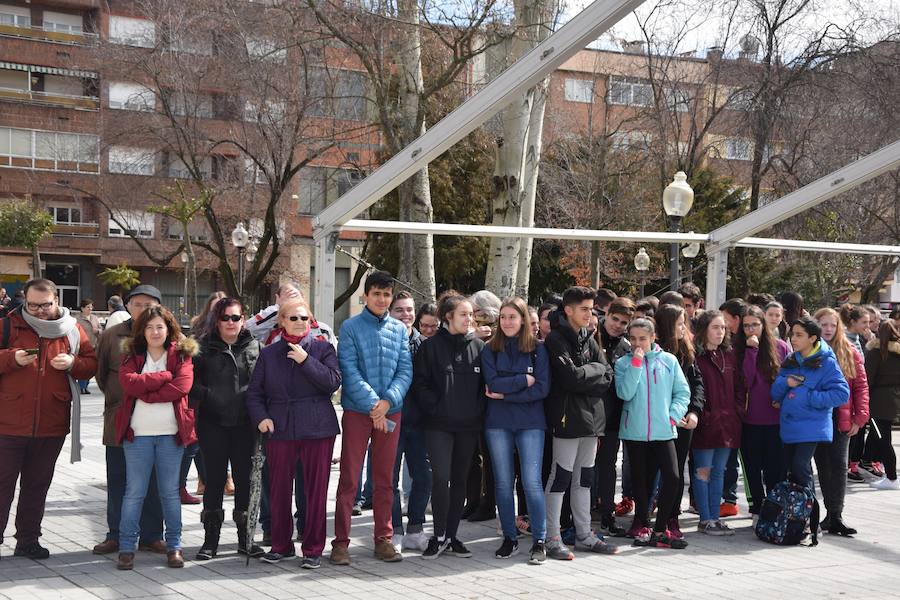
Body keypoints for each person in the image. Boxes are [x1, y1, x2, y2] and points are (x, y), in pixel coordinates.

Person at [0, 278, 97, 560]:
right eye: (32, 305)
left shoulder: (72, 329)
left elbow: (91, 364)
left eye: (45, 305)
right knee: (2, 484)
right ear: (24, 301)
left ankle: (28, 540)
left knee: (37, 485)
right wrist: (10, 359)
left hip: (51, 423)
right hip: (8, 422)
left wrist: (73, 364)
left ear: (56, 301)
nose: (39, 311)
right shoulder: (8, 325)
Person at [247, 298, 341, 568]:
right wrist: (262, 417)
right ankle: (281, 544)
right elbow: (255, 394)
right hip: (281, 427)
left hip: (317, 428)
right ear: (282, 322)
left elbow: (332, 383)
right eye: (294, 318)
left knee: (315, 491)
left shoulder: (322, 349)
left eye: (305, 319)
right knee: (278, 490)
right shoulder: (268, 354)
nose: (300, 323)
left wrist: (305, 360)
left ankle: (313, 549)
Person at [330, 271, 411, 565]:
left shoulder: (400, 330)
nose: (382, 299)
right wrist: (374, 404)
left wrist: (387, 401)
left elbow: (405, 371)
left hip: (391, 411)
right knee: (350, 478)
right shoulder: (350, 327)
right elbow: (348, 371)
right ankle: (340, 543)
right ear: (366, 295)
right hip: (357, 412)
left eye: (387, 294)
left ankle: (384, 539)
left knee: (385, 479)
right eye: (376, 293)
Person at [114, 306, 197, 570]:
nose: (154, 332)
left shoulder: (182, 354)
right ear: (142, 331)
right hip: (137, 435)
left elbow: (181, 386)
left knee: (170, 493)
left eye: (159, 326)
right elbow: (128, 384)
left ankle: (174, 546)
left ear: (169, 328)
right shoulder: (132, 355)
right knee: (134, 493)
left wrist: (146, 389)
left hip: (171, 435)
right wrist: (163, 377)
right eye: (149, 327)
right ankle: (127, 548)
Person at [92, 285, 167, 556]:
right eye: (136, 303)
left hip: (158, 421)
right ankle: (116, 534)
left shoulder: (167, 335)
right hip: (121, 419)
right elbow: (101, 375)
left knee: (153, 481)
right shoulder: (113, 335)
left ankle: (151, 535)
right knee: (119, 480)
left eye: (149, 303)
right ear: (127, 306)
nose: (142, 309)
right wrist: (117, 399)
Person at [544, 286, 617, 560]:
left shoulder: (590, 338)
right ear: (569, 310)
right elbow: (569, 379)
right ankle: (553, 537)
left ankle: (585, 534)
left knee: (584, 479)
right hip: (567, 420)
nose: (590, 314)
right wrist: (592, 373)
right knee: (560, 477)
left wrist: (586, 374)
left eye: (591, 308)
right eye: (584, 309)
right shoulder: (556, 340)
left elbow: (608, 376)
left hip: (592, 420)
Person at [189, 297, 263, 561]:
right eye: (225, 318)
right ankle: (211, 541)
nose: (230, 323)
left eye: (236, 317)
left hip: (245, 426)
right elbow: (190, 383)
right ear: (216, 321)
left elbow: (264, 383)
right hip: (213, 424)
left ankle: (245, 540)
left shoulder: (255, 346)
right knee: (215, 482)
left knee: (244, 482)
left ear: (243, 319)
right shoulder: (203, 348)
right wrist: (210, 395)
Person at [413, 293, 485, 559]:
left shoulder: (479, 347)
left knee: (460, 481)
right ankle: (439, 534)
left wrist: (476, 411)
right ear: (448, 317)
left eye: (471, 315)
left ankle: (452, 536)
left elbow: (484, 388)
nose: (469, 320)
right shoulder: (429, 347)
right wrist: (437, 407)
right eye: (464, 314)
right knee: (441, 478)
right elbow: (420, 385)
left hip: (468, 427)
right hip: (438, 426)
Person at [482, 297, 550, 564]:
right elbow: (491, 384)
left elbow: (542, 388)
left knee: (531, 482)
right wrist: (523, 380)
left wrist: (506, 394)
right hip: (498, 422)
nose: (507, 322)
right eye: (503, 317)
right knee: (502, 482)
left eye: (513, 317)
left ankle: (540, 540)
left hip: (531, 422)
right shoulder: (490, 349)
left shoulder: (538, 349)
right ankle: (509, 537)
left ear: (523, 320)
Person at [615, 318, 690, 549]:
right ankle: (643, 524)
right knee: (640, 480)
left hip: (663, 429)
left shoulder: (669, 361)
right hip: (634, 431)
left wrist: (673, 415)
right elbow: (625, 393)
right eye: (633, 338)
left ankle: (661, 527)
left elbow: (682, 392)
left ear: (653, 338)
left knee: (673, 478)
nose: (638, 343)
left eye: (643, 339)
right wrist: (636, 363)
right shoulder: (623, 363)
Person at [771, 317, 849, 491]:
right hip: (789, 425)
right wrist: (786, 384)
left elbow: (842, 394)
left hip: (812, 426)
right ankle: (799, 516)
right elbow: (775, 392)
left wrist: (810, 397)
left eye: (799, 335)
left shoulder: (827, 361)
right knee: (793, 471)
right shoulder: (790, 360)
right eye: (793, 334)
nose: (793, 339)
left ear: (813, 338)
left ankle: (810, 514)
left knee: (800, 467)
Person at [813, 307, 869, 534]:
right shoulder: (808, 349)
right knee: (821, 465)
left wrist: (860, 417)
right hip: (815, 417)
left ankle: (835, 515)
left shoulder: (850, 350)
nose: (827, 329)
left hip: (841, 418)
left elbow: (861, 386)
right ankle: (819, 513)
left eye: (832, 325)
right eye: (823, 324)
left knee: (837, 466)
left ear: (838, 328)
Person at [691, 310, 743, 536]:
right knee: (703, 471)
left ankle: (715, 516)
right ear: (704, 330)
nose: (720, 332)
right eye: (715, 327)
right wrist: (702, 416)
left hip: (728, 424)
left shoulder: (729, 355)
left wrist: (738, 412)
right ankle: (705, 519)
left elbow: (741, 387)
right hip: (705, 424)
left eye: (723, 327)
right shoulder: (695, 357)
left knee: (720, 472)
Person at [655, 305, 704, 540]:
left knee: (676, 472)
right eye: (679, 323)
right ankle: (648, 519)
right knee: (657, 472)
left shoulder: (686, 351)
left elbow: (696, 384)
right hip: (657, 422)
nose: (684, 327)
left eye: (684, 322)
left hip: (683, 422)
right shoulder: (655, 350)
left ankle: (671, 517)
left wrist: (694, 411)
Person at [737, 305, 790, 524]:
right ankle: (757, 508)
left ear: (763, 325)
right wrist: (751, 352)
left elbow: (790, 378)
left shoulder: (780, 347)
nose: (751, 330)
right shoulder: (739, 350)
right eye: (746, 326)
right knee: (752, 468)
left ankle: (775, 507)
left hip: (776, 420)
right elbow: (746, 381)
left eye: (755, 325)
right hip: (749, 421)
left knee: (775, 469)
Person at [388, 292, 432, 553]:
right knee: (389, 480)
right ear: (390, 313)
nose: (406, 315)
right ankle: (393, 530)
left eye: (409, 310)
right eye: (400, 310)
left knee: (423, 477)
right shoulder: (386, 341)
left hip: (419, 424)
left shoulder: (425, 344)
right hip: (392, 421)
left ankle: (415, 529)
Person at [594, 297, 635, 534]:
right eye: (615, 319)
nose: (617, 325)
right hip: (589, 416)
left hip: (612, 418)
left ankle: (607, 514)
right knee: (584, 468)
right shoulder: (591, 338)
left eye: (623, 322)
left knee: (609, 466)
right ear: (607, 315)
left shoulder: (626, 348)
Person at [463, 289, 501, 522]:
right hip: (471, 403)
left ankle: (489, 503)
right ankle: (472, 500)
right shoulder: (471, 334)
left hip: (493, 405)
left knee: (490, 458)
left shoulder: (499, 335)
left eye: (477, 312)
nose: (475, 318)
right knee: (471, 457)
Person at [717, 298, 747, 518]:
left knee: (734, 459)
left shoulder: (746, 346)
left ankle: (731, 498)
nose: (723, 327)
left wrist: (738, 407)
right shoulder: (726, 344)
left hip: (742, 410)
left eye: (725, 321)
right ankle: (725, 498)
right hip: (726, 410)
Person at [864, 320, 900, 490]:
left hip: (877, 401)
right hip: (893, 399)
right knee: (886, 438)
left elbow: (868, 379)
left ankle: (892, 478)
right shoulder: (897, 353)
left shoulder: (875, 352)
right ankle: (891, 476)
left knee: (883, 440)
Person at [246, 282, 335, 347]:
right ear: (278, 299)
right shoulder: (271, 330)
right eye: (288, 298)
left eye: (296, 298)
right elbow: (247, 330)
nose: (293, 304)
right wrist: (279, 308)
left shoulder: (323, 330)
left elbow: (334, 362)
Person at [75, 298, 101, 394]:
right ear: (82, 308)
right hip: (82, 346)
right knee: (83, 367)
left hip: (93, 346)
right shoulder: (77, 319)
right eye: (88, 307)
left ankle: (85, 386)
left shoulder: (94, 318)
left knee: (91, 367)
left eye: (91, 307)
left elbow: (101, 330)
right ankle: (81, 387)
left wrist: (97, 331)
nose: (90, 309)